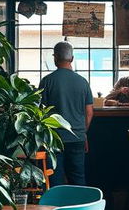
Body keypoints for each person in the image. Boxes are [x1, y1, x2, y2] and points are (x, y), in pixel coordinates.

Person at [40, 41, 93, 186]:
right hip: (77, 138)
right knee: (78, 178)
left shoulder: (47, 81)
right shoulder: (83, 82)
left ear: (55, 57)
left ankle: (56, 208)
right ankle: (80, 207)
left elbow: (40, 113)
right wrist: (83, 132)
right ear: (72, 58)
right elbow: (89, 113)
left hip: (54, 139)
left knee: (54, 179)